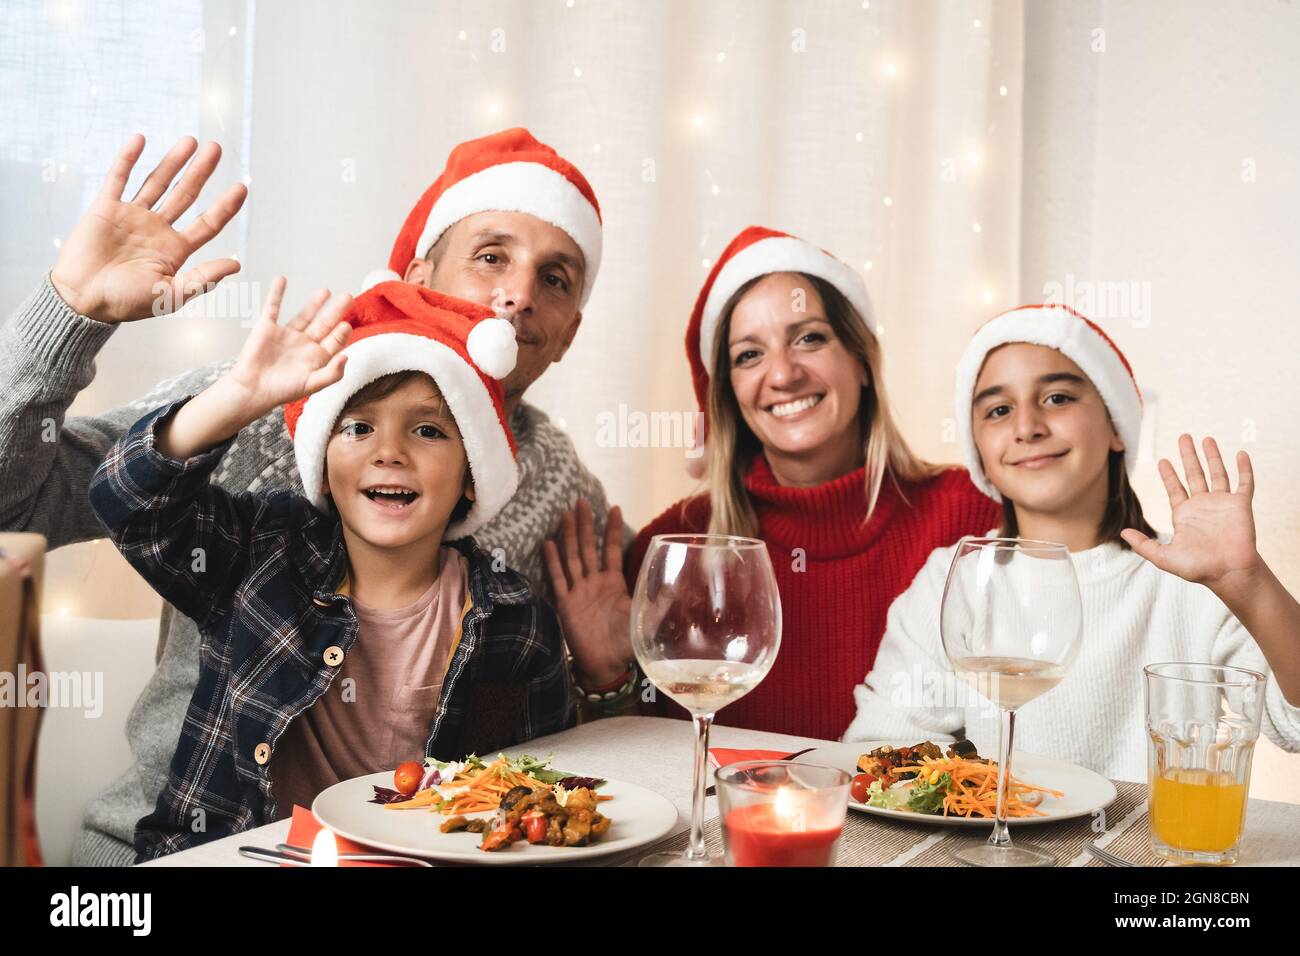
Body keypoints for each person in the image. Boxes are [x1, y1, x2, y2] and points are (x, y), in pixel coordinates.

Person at [0, 127, 623, 866]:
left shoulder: (563, 485)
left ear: (569, 332)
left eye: (556, 278)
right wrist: (70, 316)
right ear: (420, 271)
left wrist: (610, 679)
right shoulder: (261, 394)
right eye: (491, 256)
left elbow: (549, 765)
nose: (519, 293)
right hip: (185, 850)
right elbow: (20, 503)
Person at [89, 276, 574, 860]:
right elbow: (128, 504)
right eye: (358, 427)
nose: (388, 451)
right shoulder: (259, 550)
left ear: (472, 474)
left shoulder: (515, 622)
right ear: (321, 463)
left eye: (427, 430)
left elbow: (539, 789)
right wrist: (234, 400)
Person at [548, 226, 1001, 740]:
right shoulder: (674, 547)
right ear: (730, 395)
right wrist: (607, 678)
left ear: (862, 361)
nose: (783, 374)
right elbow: (636, 775)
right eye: (749, 355)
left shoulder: (971, 516)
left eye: (809, 337)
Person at [844, 304, 1300, 780]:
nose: (1027, 428)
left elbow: (1294, 727)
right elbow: (883, 743)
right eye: (999, 410)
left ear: (1116, 426)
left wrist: (1248, 583)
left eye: (1058, 398)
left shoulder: (1193, 579)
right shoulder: (951, 576)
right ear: (979, 447)